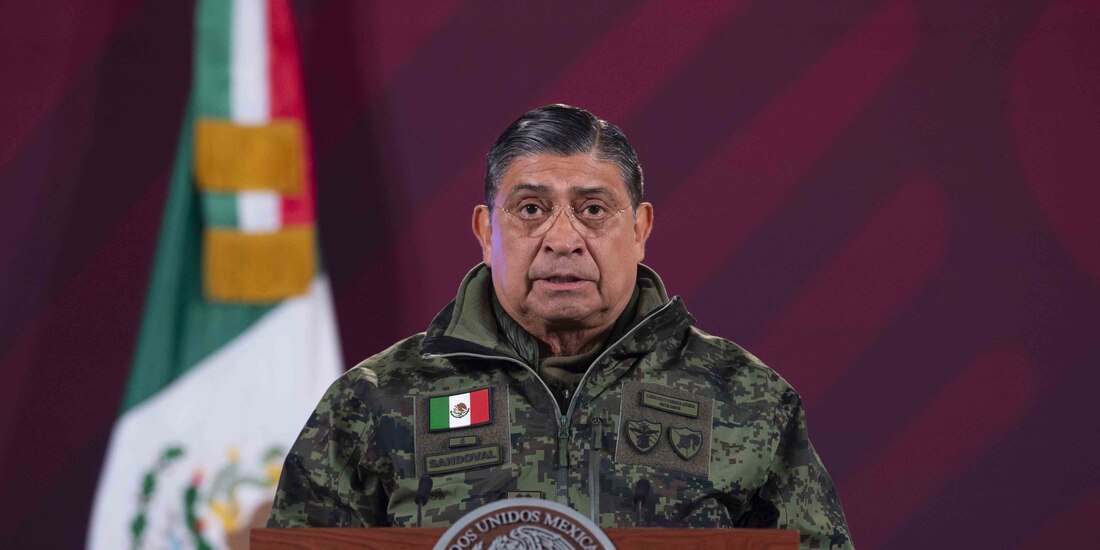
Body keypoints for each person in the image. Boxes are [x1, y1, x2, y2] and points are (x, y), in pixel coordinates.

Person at [268, 104, 853, 549]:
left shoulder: (748, 397)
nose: (564, 238)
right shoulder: (374, 400)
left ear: (640, 229)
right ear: (485, 231)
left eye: (593, 210)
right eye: (531, 209)